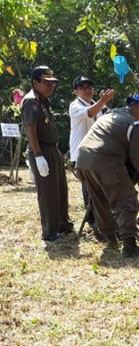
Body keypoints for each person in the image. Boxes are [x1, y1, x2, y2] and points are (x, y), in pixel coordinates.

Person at [75, 92, 139, 256]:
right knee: (126, 199)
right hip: (105, 160)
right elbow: (138, 159)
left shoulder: (111, 115)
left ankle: (111, 240)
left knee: (99, 201)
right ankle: (129, 246)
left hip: (83, 160)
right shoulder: (134, 125)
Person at [21, 65, 72, 242]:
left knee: (60, 188)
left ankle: (63, 224)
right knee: (48, 193)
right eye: (46, 83)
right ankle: (50, 231)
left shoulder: (43, 99)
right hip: (41, 149)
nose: (51, 87)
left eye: (53, 83)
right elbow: (31, 131)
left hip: (52, 148)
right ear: (35, 82)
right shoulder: (31, 101)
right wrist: (38, 155)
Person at [68, 75, 114, 232]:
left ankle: (102, 216)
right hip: (81, 155)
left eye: (89, 87)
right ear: (76, 92)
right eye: (82, 88)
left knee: (102, 187)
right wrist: (103, 102)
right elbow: (89, 113)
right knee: (89, 188)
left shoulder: (98, 106)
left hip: (98, 154)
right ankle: (92, 220)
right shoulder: (75, 106)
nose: (87, 90)